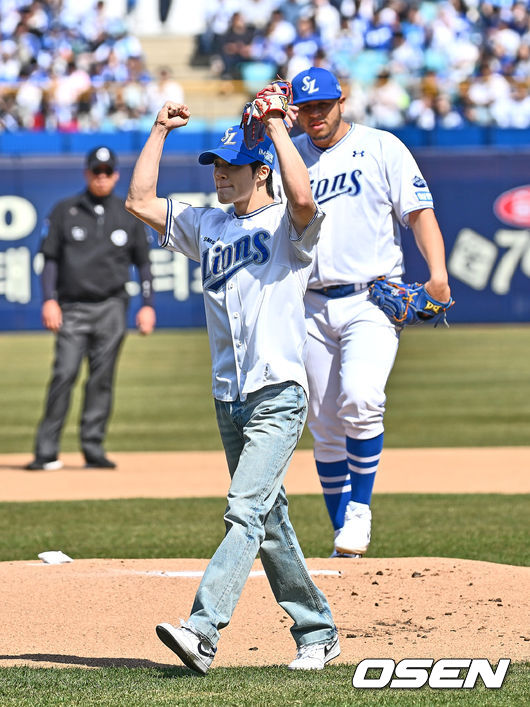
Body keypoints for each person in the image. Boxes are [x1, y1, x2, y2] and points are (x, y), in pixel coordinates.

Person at [125, 98, 339, 673]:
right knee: (267, 521)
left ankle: (202, 629)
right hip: (229, 398)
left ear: (260, 170)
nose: (220, 174)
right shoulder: (208, 224)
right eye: (216, 165)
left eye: (232, 166)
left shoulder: (287, 228)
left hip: (278, 392)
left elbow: (302, 199)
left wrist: (274, 126)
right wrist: (159, 130)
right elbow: (139, 201)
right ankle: (318, 630)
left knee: (244, 509)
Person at [288, 67, 451, 558]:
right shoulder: (286, 156)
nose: (315, 115)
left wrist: (437, 274)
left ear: (342, 102)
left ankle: (359, 509)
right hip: (308, 302)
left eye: (323, 105)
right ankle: (343, 537)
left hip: (371, 297)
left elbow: (420, 212)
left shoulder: (382, 146)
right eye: (306, 107)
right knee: (322, 422)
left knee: (361, 399)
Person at [26, 146, 156, 471]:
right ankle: (46, 451)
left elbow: (144, 263)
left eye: (107, 172)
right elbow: (49, 260)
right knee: (64, 373)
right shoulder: (65, 210)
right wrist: (49, 300)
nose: (101, 178)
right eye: (95, 172)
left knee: (102, 379)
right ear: (86, 173)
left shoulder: (128, 213)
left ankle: (93, 447)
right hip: (73, 307)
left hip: (112, 306)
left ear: (116, 175)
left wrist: (148, 305)